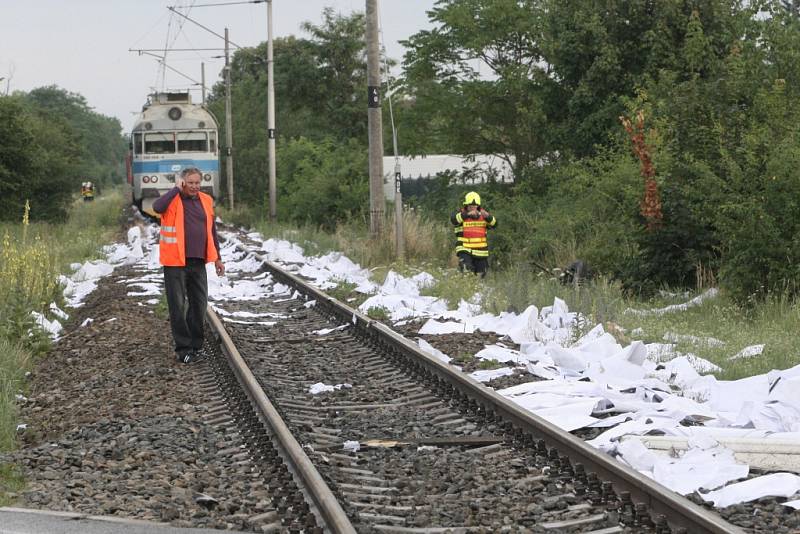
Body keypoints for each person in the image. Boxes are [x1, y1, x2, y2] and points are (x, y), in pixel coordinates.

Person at [153, 167, 225, 364]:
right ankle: (183, 349)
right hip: (176, 261)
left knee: (199, 304)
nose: (194, 186)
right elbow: (157, 207)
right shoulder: (172, 199)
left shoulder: (206, 200)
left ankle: (195, 345)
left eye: (197, 183)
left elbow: (212, 230)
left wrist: (218, 257)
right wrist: (176, 189)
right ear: (182, 182)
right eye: (190, 182)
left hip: (198, 261)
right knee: (177, 305)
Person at [451, 191, 497, 277]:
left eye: (475, 206)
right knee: (466, 270)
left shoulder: (483, 215)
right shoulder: (460, 214)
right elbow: (454, 220)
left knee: (481, 276)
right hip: (464, 249)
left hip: (481, 252)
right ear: (466, 206)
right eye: (470, 206)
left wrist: (488, 216)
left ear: (478, 206)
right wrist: (467, 214)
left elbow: (494, 225)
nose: (473, 208)